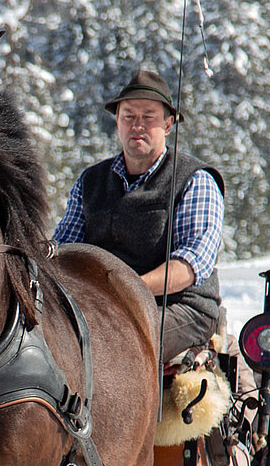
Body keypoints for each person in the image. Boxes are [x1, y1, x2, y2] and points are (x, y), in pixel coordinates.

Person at [53, 68, 225, 361]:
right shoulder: (90, 181)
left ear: (168, 125)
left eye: (149, 117)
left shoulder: (195, 180)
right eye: (129, 116)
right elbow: (62, 253)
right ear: (117, 122)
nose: (137, 125)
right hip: (100, 305)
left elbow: (190, 265)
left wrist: (125, 291)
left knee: (110, 338)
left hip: (179, 308)